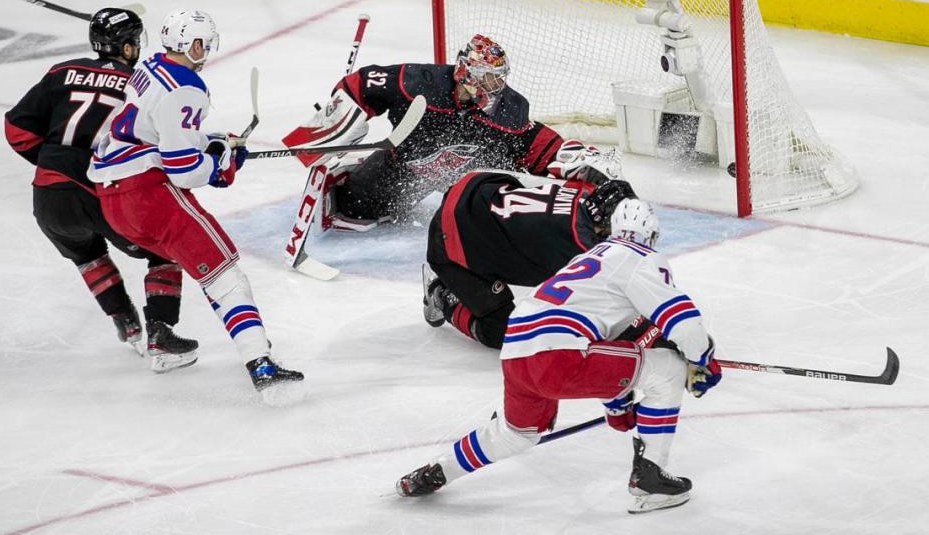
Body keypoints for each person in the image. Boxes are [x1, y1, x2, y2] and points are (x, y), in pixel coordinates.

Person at [396, 199, 723, 513]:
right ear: (652, 234)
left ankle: (438, 470)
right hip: (560, 356)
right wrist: (702, 359)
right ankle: (649, 479)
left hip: (516, 354)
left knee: (517, 434)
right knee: (668, 368)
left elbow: (607, 347)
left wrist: (618, 403)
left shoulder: (590, 260)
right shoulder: (640, 258)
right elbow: (681, 319)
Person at [87, 9, 303, 398]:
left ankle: (163, 343)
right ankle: (261, 364)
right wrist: (221, 167)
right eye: (205, 42)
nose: (207, 50)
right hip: (148, 195)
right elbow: (183, 170)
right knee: (226, 275)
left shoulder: (152, 66)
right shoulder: (187, 86)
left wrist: (211, 141)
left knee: (188, 261)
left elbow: (158, 130)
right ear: (195, 44)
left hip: (112, 198)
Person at [4, 7, 197, 373]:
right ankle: (160, 333)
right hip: (99, 190)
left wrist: (52, 162)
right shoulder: (141, 84)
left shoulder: (62, 71)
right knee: (165, 249)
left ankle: (125, 321)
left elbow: (17, 129)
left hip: (47, 195)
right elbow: (157, 145)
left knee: (86, 254)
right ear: (126, 47)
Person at [282, 35, 617, 231]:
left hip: (459, 185)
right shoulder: (419, 83)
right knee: (356, 208)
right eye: (487, 78)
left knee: (490, 220)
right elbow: (359, 84)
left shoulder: (507, 109)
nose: (495, 86)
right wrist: (339, 124)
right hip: (400, 171)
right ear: (465, 72)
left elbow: (531, 143)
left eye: (499, 78)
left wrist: (572, 163)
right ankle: (350, 174)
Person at [423, 153, 636, 349]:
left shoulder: (586, 192)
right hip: (449, 241)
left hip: (476, 186)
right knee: (501, 332)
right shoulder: (580, 249)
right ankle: (442, 294)